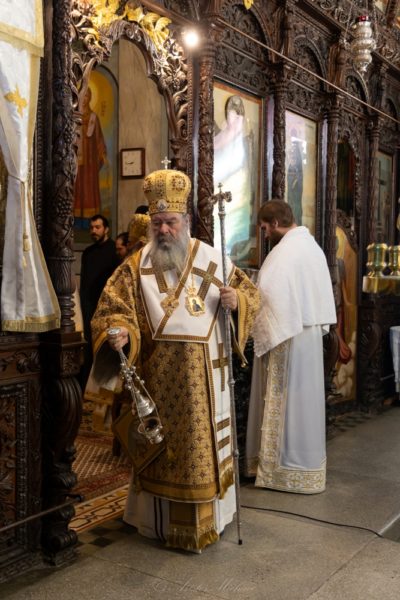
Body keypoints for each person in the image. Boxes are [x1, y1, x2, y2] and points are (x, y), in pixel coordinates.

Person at [90, 168, 260, 552]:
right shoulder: (135, 266)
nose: (164, 230)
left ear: (185, 221)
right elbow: (112, 309)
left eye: (171, 222)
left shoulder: (212, 258)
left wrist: (236, 302)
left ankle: (213, 519)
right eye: (158, 223)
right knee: (160, 448)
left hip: (208, 383)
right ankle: (157, 524)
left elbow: (251, 294)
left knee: (203, 450)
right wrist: (121, 332)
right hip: (158, 380)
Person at [246, 200, 336, 494]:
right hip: (306, 335)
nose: (264, 234)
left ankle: (281, 470)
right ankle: (304, 468)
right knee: (303, 403)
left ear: (274, 224)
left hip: (287, 335)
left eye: (264, 228)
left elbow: (268, 296)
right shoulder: (310, 246)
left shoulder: (284, 252)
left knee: (287, 403)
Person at [79, 214, 119, 388]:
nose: (93, 231)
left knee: (104, 348)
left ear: (106, 229)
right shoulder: (87, 253)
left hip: (107, 308)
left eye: (97, 227)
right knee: (88, 348)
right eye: (91, 228)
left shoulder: (114, 251)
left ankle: (102, 389)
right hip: (88, 306)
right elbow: (84, 282)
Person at [213, 95, 254, 264]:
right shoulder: (221, 138)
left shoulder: (243, 141)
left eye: (239, 116)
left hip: (239, 195)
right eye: (233, 115)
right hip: (224, 192)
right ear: (227, 116)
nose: (237, 120)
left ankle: (231, 254)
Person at [73, 88, 108, 227]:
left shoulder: (93, 118)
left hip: (89, 161)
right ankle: (76, 219)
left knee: (88, 188)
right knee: (77, 187)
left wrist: (102, 153)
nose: (84, 99)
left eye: (87, 96)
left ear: (90, 98)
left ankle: (90, 221)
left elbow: (99, 138)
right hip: (76, 160)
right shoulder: (74, 116)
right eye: (82, 96)